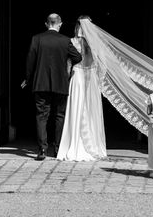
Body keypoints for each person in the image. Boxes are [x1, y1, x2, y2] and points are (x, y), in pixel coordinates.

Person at [23, 13, 82, 161]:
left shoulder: (37, 39)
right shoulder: (65, 40)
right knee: (59, 116)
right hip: (60, 83)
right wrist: (66, 67)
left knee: (41, 116)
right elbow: (78, 57)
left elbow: (30, 61)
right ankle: (58, 150)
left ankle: (42, 149)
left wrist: (28, 79)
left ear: (46, 24)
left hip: (40, 83)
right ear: (60, 24)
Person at [57, 16, 107, 161]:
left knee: (77, 108)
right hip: (91, 78)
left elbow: (67, 65)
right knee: (91, 111)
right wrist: (99, 80)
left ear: (77, 26)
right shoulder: (96, 44)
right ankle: (94, 144)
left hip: (77, 76)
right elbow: (103, 65)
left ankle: (76, 143)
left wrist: (66, 79)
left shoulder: (72, 42)